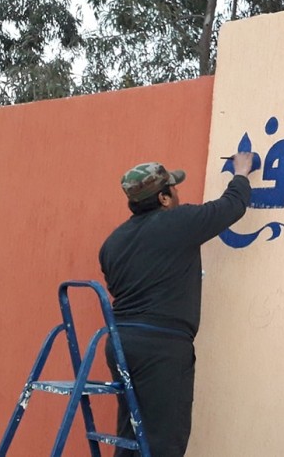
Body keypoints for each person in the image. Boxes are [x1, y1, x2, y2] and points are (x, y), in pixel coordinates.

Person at [99, 153, 254, 456]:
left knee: (132, 434)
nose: (177, 192)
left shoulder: (112, 243)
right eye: (173, 187)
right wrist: (242, 172)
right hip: (162, 348)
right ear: (164, 197)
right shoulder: (178, 222)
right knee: (164, 441)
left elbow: (118, 287)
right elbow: (231, 206)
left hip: (120, 344)